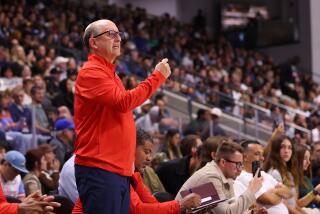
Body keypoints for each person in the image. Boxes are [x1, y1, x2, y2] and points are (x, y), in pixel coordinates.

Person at [74, 19, 171, 214]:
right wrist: (157, 77)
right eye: (111, 34)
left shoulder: (110, 74)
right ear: (94, 42)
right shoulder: (91, 72)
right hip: (101, 168)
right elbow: (124, 102)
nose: (118, 39)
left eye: (119, 34)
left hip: (116, 170)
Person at [71, 129, 201, 213]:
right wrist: (180, 205)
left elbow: (151, 203)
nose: (149, 158)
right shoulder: (114, 172)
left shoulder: (134, 174)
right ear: (130, 148)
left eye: (151, 153)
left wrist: (182, 207)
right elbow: (138, 209)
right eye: (146, 152)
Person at [176, 141, 264, 214]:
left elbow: (231, 209)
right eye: (238, 164)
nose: (240, 169)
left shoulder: (227, 176)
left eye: (241, 164)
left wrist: (252, 213)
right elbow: (226, 213)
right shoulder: (210, 177)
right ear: (223, 162)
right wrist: (251, 190)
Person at [234, 140, 290, 213]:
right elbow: (270, 200)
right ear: (245, 157)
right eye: (257, 154)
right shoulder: (242, 176)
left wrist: (273, 192)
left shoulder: (263, 173)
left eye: (262, 155)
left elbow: (288, 193)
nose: (262, 158)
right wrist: (281, 196)